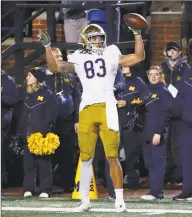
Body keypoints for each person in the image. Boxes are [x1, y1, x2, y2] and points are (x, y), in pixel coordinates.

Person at [38, 22, 145, 212]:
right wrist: (47, 47)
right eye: (94, 38)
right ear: (86, 40)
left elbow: (138, 56)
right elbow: (56, 67)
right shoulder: (78, 56)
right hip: (86, 108)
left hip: (107, 107)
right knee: (86, 156)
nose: (98, 41)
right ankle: (85, 200)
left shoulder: (111, 52)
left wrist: (137, 33)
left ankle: (119, 199)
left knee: (112, 155)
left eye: (100, 38)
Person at [45, 47, 81, 192]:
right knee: (47, 154)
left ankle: (67, 184)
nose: (60, 58)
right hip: (48, 122)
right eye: (57, 56)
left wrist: (77, 119)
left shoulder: (70, 77)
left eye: (61, 56)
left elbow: (78, 99)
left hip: (66, 121)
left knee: (67, 154)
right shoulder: (42, 76)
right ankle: (47, 185)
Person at [18, 67, 57, 198]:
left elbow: (51, 115)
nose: (27, 78)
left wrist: (43, 132)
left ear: (37, 79)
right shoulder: (25, 94)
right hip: (27, 135)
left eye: (30, 75)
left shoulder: (47, 94)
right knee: (28, 164)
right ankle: (29, 188)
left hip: (41, 135)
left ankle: (46, 189)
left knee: (44, 164)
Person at [140, 66, 172, 200]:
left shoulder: (164, 92)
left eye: (156, 74)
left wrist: (158, 132)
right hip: (145, 132)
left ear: (161, 76)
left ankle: (156, 192)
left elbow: (165, 114)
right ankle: (154, 190)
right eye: (150, 74)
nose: (153, 77)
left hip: (156, 133)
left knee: (157, 162)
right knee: (149, 163)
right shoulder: (145, 90)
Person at [116, 66, 150, 189]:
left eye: (126, 65)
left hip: (131, 123)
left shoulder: (138, 81)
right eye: (122, 65)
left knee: (132, 154)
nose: (123, 67)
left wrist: (128, 102)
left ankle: (132, 181)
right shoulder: (114, 81)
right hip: (114, 122)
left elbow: (145, 99)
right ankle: (114, 181)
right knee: (112, 154)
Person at [162, 41, 190, 184]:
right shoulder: (162, 69)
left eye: (174, 50)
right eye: (169, 50)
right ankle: (166, 176)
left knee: (179, 146)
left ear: (180, 52)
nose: (171, 53)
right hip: (165, 113)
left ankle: (178, 176)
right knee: (164, 146)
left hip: (180, 114)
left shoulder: (186, 68)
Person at [173, 67, 192, 201]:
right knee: (186, 159)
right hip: (187, 124)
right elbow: (180, 97)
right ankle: (187, 190)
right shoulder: (187, 73)